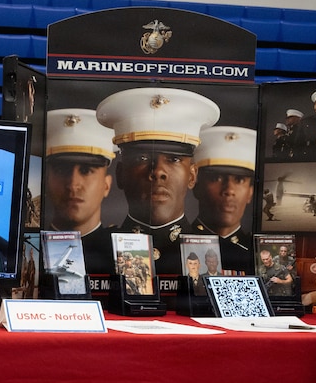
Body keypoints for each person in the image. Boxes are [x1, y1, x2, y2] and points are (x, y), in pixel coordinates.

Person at [96, 86, 220, 275]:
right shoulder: (93, 253)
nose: (158, 171)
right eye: (142, 158)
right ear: (120, 175)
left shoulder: (223, 256)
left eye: (174, 159)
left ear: (192, 176)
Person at [41, 108, 117, 274]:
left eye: (86, 171)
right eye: (62, 170)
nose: (73, 184)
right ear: (46, 182)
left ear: (106, 185)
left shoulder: (120, 258)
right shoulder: (30, 252)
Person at [190, 126, 256, 273]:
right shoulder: (174, 248)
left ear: (250, 193)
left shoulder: (257, 255)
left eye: (239, 180)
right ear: (196, 186)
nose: (229, 190)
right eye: (216, 178)